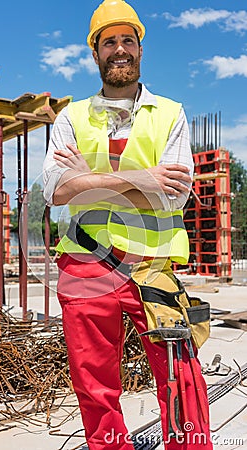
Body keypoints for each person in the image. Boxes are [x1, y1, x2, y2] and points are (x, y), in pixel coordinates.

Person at [43, 1, 212, 448]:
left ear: (140, 49)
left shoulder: (169, 113)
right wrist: (141, 178)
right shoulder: (71, 117)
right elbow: (56, 192)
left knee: (182, 377)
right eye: (109, 41)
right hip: (84, 264)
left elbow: (173, 193)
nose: (120, 49)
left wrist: (87, 179)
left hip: (151, 265)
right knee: (94, 386)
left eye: (127, 40)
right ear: (95, 53)